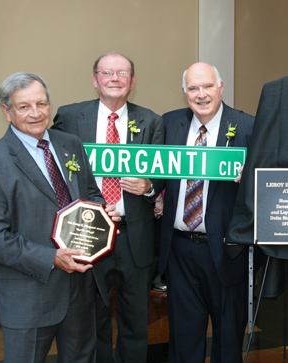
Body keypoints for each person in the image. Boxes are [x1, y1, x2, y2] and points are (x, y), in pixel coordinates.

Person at [0, 72, 120, 363]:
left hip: (80, 290)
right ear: (7, 111)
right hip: (28, 296)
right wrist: (51, 258)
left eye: (41, 103)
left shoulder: (70, 144)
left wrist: (102, 212)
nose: (36, 113)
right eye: (24, 106)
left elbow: (90, 193)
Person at [52, 51, 164, 363]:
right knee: (91, 315)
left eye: (122, 74)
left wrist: (149, 187)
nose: (114, 79)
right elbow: (58, 170)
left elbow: (163, 175)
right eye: (107, 73)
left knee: (134, 318)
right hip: (87, 232)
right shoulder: (71, 117)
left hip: (135, 235)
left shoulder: (151, 122)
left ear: (132, 83)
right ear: (95, 80)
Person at [158, 62, 253, 362]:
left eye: (208, 86)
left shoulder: (249, 127)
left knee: (227, 342)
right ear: (185, 93)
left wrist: (248, 179)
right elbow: (158, 175)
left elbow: (267, 185)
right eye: (193, 88)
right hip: (179, 252)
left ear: (221, 87)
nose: (201, 94)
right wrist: (151, 191)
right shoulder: (169, 123)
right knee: (183, 342)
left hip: (227, 252)